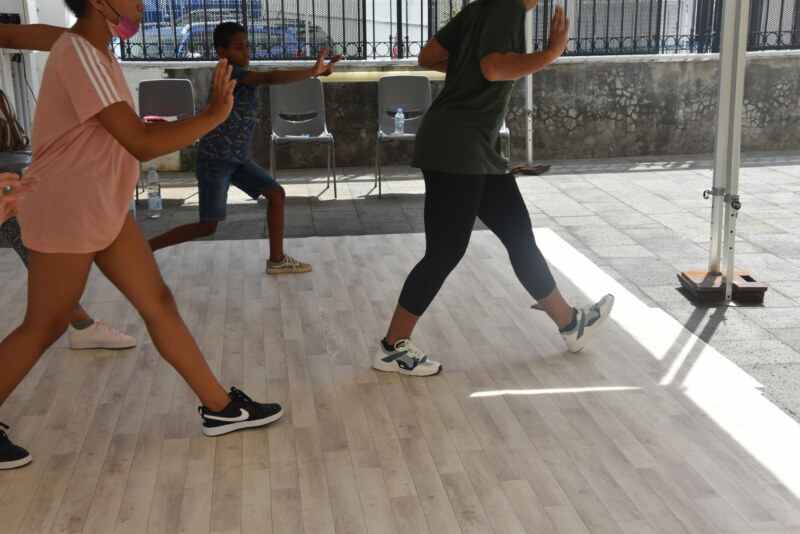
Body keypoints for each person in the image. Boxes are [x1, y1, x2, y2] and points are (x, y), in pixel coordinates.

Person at [0, 0, 282, 470]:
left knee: (159, 302)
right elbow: (141, 142)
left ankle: (221, 408)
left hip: (101, 202)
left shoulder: (93, 49)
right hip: (69, 205)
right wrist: (214, 113)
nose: (143, 4)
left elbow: (16, 37)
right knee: (45, 324)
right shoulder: (80, 55)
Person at [374, 0, 614, 377]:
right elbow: (494, 66)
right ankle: (392, 347)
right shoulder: (507, 7)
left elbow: (429, 56)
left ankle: (571, 323)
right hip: (459, 145)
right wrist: (550, 53)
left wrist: (470, 70)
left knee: (518, 235)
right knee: (445, 251)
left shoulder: (478, 8)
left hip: (475, 145)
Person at [149, 22, 342, 274]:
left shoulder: (240, 72)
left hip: (236, 159)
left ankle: (277, 260)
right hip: (216, 159)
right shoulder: (230, 72)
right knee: (207, 226)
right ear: (222, 51)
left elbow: (270, 78)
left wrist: (314, 72)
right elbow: (271, 78)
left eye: (248, 46)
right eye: (239, 47)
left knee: (276, 194)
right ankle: (143, 249)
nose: (247, 52)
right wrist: (312, 71)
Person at [0, 23, 136, 350]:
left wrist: (91, 40)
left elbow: (23, 35)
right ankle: (79, 322)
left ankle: (81, 323)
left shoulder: (80, 48)